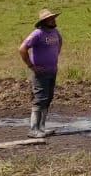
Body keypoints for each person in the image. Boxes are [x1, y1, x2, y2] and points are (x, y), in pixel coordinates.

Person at [19, 8, 62, 138]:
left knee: (48, 98)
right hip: (40, 73)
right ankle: (33, 129)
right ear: (44, 21)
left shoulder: (55, 32)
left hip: (52, 70)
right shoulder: (37, 34)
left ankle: (42, 128)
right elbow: (22, 49)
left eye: (53, 18)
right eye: (51, 19)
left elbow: (60, 42)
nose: (54, 20)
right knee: (40, 99)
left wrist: (54, 56)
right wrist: (31, 66)